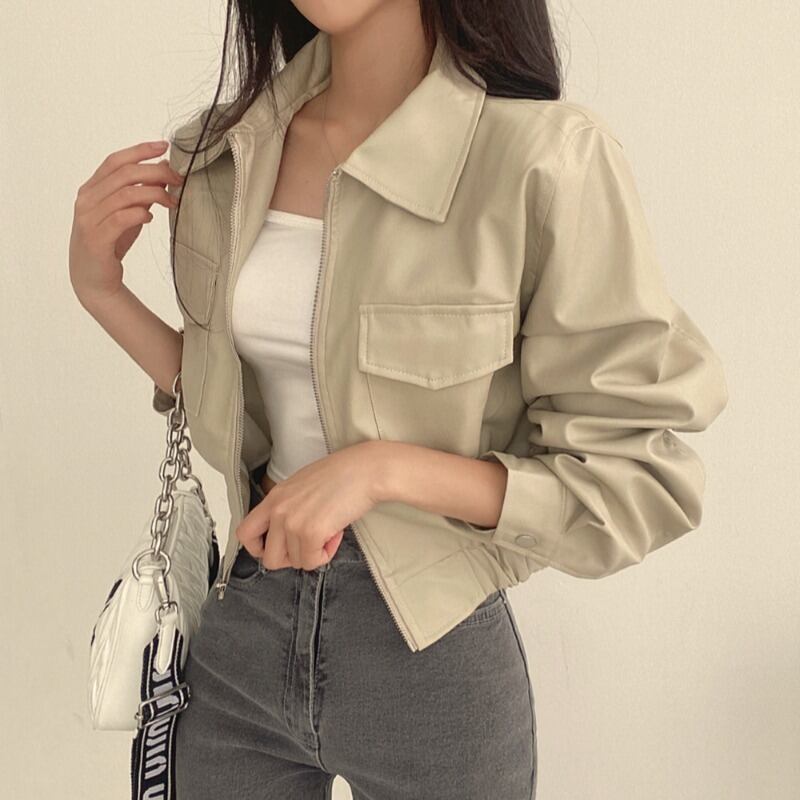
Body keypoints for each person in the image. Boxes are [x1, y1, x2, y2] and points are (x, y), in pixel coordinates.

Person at [70, 2, 728, 798]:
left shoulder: (541, 159)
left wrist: (380, 470)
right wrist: (102, 291)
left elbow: (634, 477)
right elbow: (227, 400)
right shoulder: (229, 153)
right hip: (245, 628)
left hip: (430, 650)